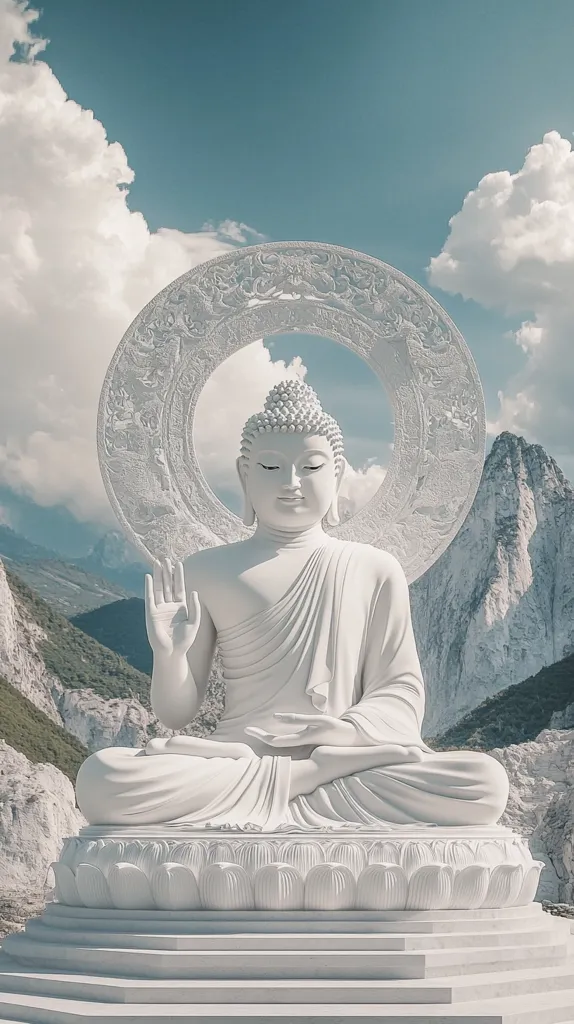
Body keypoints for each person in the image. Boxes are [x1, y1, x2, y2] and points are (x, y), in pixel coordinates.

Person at [76, 380, 508, 829]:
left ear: (337, 474)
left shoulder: (374, 568)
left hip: (344, 764)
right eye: (271, 466)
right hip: (239, 760)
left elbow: (401, 689)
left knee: (483, 782)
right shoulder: (204, 571)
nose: (291, 483)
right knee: (103, 778)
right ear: (245, 474)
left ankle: (297, 783)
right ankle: (301, 780)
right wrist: (169, 655)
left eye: (312, 467)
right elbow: (176, 713)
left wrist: (345, 730)